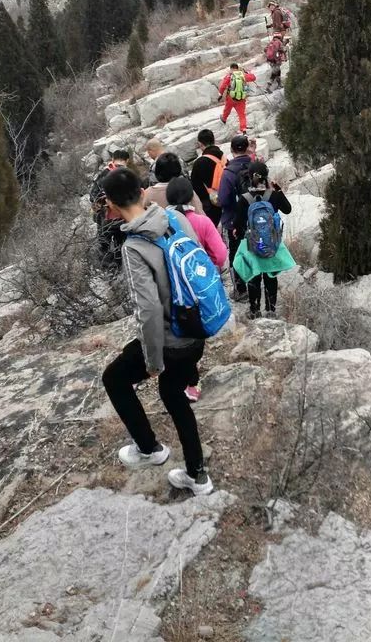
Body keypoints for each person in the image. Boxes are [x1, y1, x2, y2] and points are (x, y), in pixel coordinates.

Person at [101, 168, 213, 495]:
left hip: (171, 340)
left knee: (115, 378)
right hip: (197, 327)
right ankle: (197, 474)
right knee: (173, 394)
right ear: (143, 191)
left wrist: (152, 360)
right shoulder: (175, 219)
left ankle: (149, 449)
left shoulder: (134, 246)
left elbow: (148, 310)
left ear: (110, 203)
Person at [165, 175, 228, 405]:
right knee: (198, 328)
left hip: (173, 290)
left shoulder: (165, 223)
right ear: (192, 196)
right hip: (199, 288)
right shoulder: (201, 222)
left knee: (181, 329)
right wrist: (209, 269)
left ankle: (186, 380)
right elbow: (221, 255)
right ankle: (192, 381)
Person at [232, 161, 294, 319]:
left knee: (254, 277)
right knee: (271, 277)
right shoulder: (273, 195)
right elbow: (288, 209)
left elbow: (238, 226)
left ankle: (254, 311)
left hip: (253, 246)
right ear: (266, 176)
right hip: (272, 245)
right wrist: (278, 190)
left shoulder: (244, 199)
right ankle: (271, 310)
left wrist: (240, 234)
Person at [217, 134, 254, 301]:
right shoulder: (255, 166)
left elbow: (223, 199)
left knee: (235, 254)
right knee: (254, 250)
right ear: (247, 148)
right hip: (254, 218)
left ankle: (240, 289)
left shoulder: (229, 172)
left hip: (233, 221)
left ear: (231, 150)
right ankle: (255, 284)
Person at [89, 149, 132, 268]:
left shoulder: (104, 174)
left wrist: (101, 205)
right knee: (121, 244)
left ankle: (104, 269)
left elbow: (93, 195)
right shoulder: (129, 175)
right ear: (127, 160)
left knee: (103, 245)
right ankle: (119, 269)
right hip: (123, 217)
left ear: (112, 159)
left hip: (105, 217)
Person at [190, 129, 226, 227]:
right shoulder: (224, 158)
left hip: (210, 206)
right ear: (213, 140)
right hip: (227, 200)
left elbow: (195, 187)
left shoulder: (199, 163)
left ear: (200, 144)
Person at [218, 62, 256, 133]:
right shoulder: (243, 75)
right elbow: (253, 77)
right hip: (241, 98)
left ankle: (224, 118)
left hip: (231, 97)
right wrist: (246, 72)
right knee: (242, 115)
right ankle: (243, 129)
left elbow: (223, 86)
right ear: (237, 68)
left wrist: (220, 94)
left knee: (227, 109)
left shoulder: (229, 76)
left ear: (231, 69)